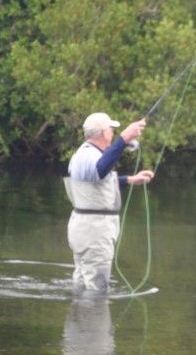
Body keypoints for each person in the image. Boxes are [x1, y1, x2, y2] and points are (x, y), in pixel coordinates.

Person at [64, 112, 154, 294]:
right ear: (105, 133)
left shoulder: (84, 155)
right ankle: (94, 320)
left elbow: (97, 182)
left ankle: (80, 318)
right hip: (94, 231)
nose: (113, 134)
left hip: (86, 228)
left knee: (83, 282)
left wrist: (129, 180)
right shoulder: (88, 156)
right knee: (97, 288)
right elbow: (100, 169)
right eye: (112, 131)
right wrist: (125, 138)